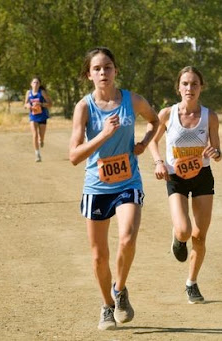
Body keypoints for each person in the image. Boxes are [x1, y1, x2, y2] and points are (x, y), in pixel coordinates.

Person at [69, 47, 159, 330]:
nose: (103, 73)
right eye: (97, 69)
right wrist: (104, 135)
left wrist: (144, 143)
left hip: (128, 181)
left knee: (127, 238)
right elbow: (74, 156)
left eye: (108, 67)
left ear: (116, 70)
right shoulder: (84, 107)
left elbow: (156, 121)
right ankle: (107, 304)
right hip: (96, 185)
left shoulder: (132, 101)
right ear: (89, 75)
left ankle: (120, 290)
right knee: (99, 255)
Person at [148, 66, 222, 304]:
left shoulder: (210, 116)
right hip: (175, 177)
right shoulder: (167, 114)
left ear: (201, 87)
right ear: (178, 87)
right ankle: (177, 238)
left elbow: (218, 152)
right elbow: (152, 141)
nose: (190, 88)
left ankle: (191, 283)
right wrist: (159, 162)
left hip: (202, 175)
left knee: (200, 236)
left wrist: (215, 152)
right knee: (184, 230)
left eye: (194, 84)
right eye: (185, 84)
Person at [24, 77, 53, 162]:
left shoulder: (42, 92)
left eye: (37, 83)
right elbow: (25, 104)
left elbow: (50, 104)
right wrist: (28, 106)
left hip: (42, 116)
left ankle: (42, 140)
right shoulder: (28, 93)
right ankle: (37, 154)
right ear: (31, 84)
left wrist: (41, 104)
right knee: (35, 135)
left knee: (41, 135)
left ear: (39, 84)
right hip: (33, 116)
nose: (35, 84)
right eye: (34, 82)